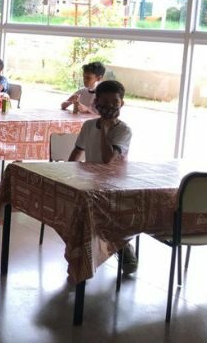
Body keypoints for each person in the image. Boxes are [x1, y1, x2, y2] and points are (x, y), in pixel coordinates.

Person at [68, 80, 135, 272]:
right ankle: (81, 251)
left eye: (115, 102)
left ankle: (122, 245)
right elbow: (77, 151)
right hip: (90, 181)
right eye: (104, 102)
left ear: (122, 103)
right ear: (96, 102)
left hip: (116, 183)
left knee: (105, 214)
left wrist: (105, 128)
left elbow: (108, 160)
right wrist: (67, 173)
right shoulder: (89, 126)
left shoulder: (123, 130)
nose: (109, 106)